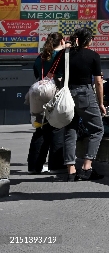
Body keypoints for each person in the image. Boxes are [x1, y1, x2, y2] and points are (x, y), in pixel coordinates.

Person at [55, 27, 105, 181]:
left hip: (69, 94)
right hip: (85, 94)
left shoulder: (66, 54)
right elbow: (98, 82)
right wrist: (101, 103)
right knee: (97, 129)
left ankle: (71, 170)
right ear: (88, 40)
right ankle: (87, 166)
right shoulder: (93, 55)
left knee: (71, 129)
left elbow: (57, 77)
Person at [27, 33, 66, 174]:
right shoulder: (62, 55)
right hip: (56, 93)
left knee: (40, 129)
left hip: (39, 94)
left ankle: (34, 166)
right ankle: (55, 165)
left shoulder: (40, 57)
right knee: (57, 127)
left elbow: (36, 73)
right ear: (62, 40)